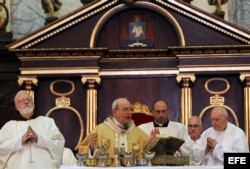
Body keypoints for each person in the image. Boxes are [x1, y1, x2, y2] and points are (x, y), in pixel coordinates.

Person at [0, 90, 65, 169]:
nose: (26, 102)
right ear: (16, 107)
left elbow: (58, 142)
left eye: (29, 99)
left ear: (33, 103)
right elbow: (1, 147)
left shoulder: (47, 122)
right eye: (22, 101)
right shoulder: (9, 126)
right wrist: (20, 141)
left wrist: (39, 139)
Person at [78, 98, 151, 166]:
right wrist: (91, 147)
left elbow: (148, 155)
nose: (129, 112)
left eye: (131, 109)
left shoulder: (139, 133)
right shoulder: (99, 130)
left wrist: (151, 142)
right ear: (115, 111)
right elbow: (82, 153)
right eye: (125, 109)